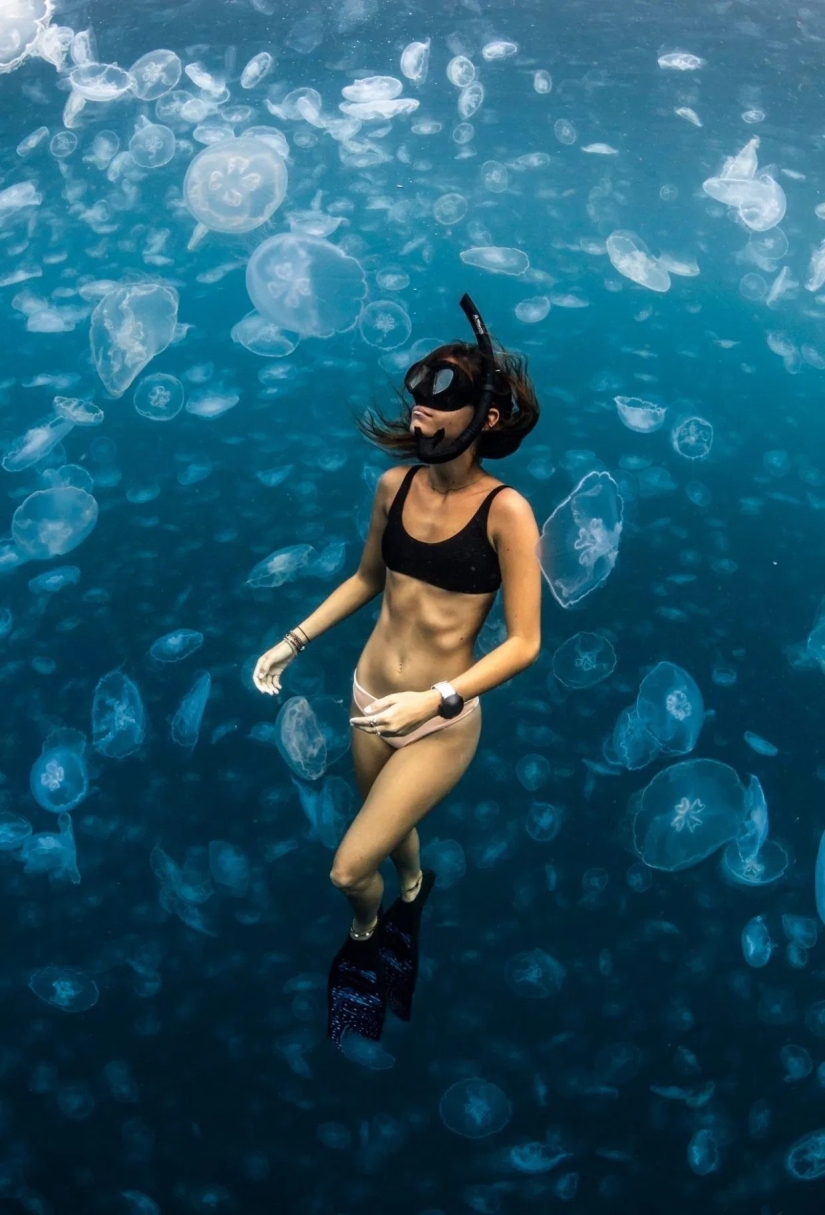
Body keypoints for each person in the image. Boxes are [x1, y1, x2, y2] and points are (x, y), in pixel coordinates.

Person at [253, 295, 543, 1047]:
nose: (416, 420)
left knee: (349, 869)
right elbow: (367, 580)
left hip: (439, 718)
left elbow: (522, 644)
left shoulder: (508, 512)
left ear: (482, 419)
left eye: (434, 410)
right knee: (395, 831)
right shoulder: (397, 487)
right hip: (366, 698)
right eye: (413, 403)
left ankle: (364, 935)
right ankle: (413, 890)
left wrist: (437, 697)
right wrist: (294, 638)